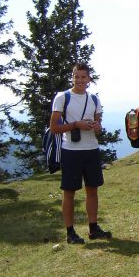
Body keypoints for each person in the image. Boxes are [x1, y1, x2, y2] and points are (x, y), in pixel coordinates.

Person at [49, 62, 112, 244]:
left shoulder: (94, 99)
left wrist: (96, 126)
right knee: (69, 192)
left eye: (83, 77)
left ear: (89, 79)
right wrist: (76, 125)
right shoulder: (63, 97)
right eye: (76, 76)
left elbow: (98, 127)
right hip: (71, 151)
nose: (80, 80)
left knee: (92, 190)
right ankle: (70, 233)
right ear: (72, 77)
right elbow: (54, 127)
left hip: (91, 149)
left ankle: (93, 228)